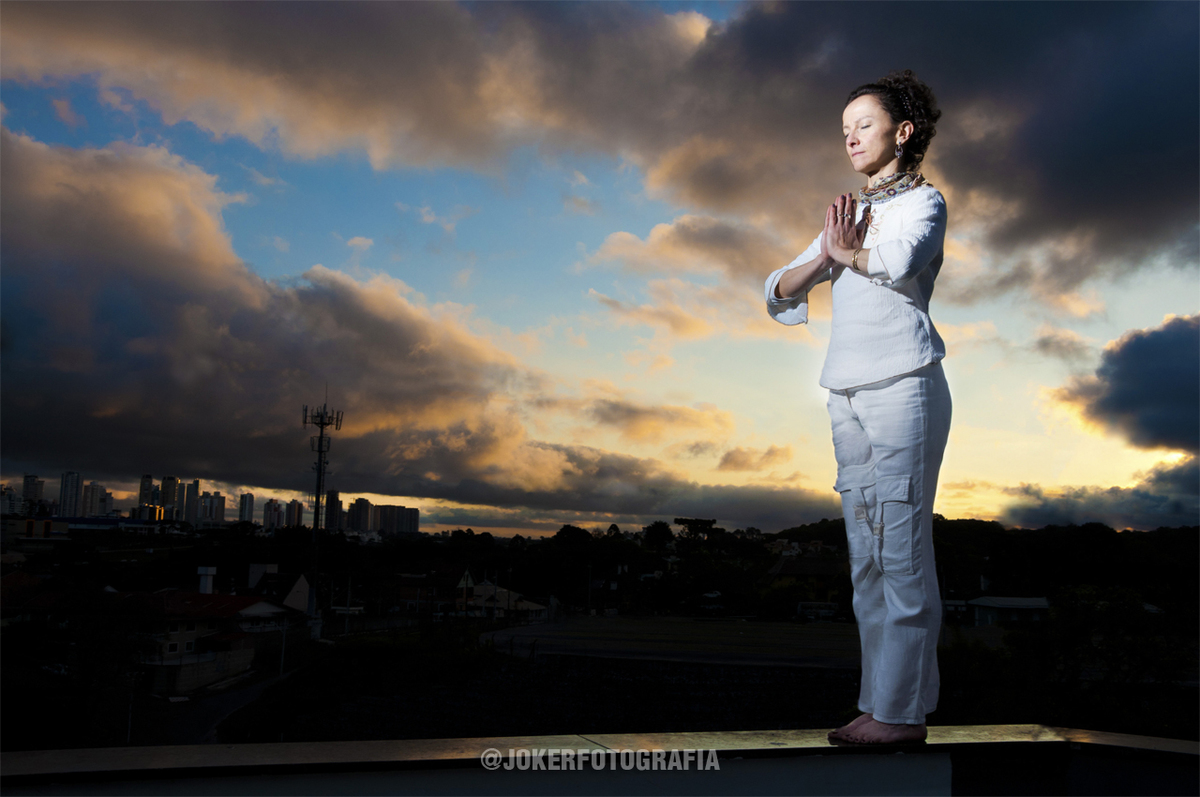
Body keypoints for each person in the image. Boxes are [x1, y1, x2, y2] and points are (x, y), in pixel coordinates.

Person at [764, 69, 950, 745]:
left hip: (905, 384)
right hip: (843, 390)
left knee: (902, 550)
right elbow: (776, 288)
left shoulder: (925, 205)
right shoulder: (846, 217)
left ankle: (902, 715)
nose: (850, 137)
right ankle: (880, 704)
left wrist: (846, 251)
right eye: (844, 129)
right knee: (866, 555)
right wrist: (825, 256)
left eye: (863, 125)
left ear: (902, 132)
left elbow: (899, 261)